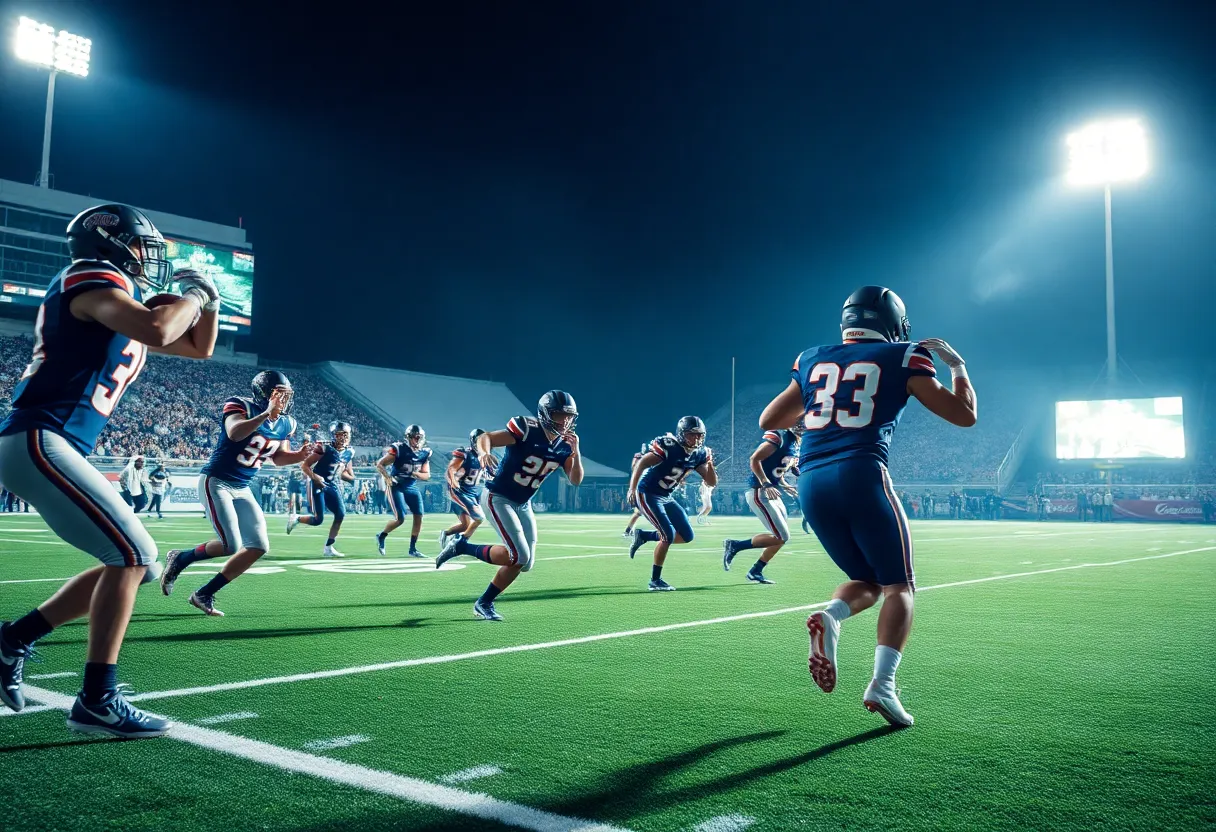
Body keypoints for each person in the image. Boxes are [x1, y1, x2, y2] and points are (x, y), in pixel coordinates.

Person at [0, 203, 219, 738]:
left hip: (54, 441)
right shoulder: (89, 279)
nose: (151, 259)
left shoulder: (120, 294)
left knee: (136, 566)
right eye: (144, 246)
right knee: (133, 554)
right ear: (110, 241)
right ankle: (97, 700)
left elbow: (198, 347)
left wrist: (207, 303)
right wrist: (193, 295)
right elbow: (160, 329)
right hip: (38, 433)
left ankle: (11, 641)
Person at [759, 285, 977, 727]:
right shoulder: (905, 355)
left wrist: (827, 404)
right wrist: (958, 367)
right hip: (861, 472)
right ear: (893, 323)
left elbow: (770, 421)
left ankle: (832, 615)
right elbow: (963, 414)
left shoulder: (812, 356)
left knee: (865, 579)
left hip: (811, 482)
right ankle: (883, 686)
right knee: (901, 587)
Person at [160, 371, 313, 616]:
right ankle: (180, 558)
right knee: (230, 544)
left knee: (259, 546)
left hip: (242, 486)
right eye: (278, 394)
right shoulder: (241, 405)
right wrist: (266, 414)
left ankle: (204, 593)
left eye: (286, 396)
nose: (283, 401)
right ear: (264, 394)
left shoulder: (287, 423)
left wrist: (300, 455)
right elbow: (235, 433)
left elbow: (277, 458)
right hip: (217, 480)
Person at [435, 392, 582, 621]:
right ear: (545, 413)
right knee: (518, 556)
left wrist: (576, 452)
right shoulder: (526, 429)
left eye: (568, 416)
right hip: (499, 496)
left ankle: (461, 548)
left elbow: (575, 479)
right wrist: (484, 452)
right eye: (558, 414)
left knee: (525, 563)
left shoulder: (565, 444)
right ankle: (484, 602)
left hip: (523, 503)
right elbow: (487, 437)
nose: (564, 420)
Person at [627, 417, 718, 591]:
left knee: (687, 535)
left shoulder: (700, 454)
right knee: (667, 535)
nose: (696, 439)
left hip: (666, 496)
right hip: (647, 492)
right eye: (692, 435)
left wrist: (710, 463)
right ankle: (655, 580)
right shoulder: (669, 446)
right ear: (682, 434)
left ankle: (644, 536)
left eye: (699, 436)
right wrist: (632, 488)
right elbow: (642, 462)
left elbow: (711, 481)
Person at [722, 424, 805, 584]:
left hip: (772, 492)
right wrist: (766, 484)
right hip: (759, 491)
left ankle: (756, 570)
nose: (802, 425)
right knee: (782, 536)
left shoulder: (797, 443)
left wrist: (785, 485)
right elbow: (755, 459)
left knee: (781, 537)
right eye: (799, 421)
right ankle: (735, 545)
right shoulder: (781, 436)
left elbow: (776, 470)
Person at [287, 421, 355, 557]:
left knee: (340, 514)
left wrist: (345, 475)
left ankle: (329, 547)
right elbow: (305, 465)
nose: (343, 437)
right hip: (318, 483)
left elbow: (348, 474)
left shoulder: (350, 452)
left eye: (345, 434)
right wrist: (315, 478)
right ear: (333, 435)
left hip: (333, 484)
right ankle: (297, 518)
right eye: (339, 434)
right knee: (319, 520)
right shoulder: (324, 448)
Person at [375, 425, 432, 557]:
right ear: (408, 438)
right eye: (414, 437)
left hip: (411, 486)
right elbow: (380, 464)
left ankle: (413, 549)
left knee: (419, 516)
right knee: (400, 518)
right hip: (397, 485)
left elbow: (427, 475)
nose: (417, 440)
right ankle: (382, 536)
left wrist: (416, 474)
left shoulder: (425, 452)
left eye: (419, 438)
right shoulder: (399, 449)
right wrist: (387, 478)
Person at [439, 429, 488, 549]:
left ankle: (446, 534)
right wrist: (454, 481)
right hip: (460, 492)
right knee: (479, 518)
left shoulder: (484, 456)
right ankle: (460, 543)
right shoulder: (466, 454)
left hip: (472, 493)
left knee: (466, 525)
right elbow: (451, 469)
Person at [621, 443, 648, 538]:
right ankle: (628, 531)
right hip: (639, 487)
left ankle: (630, 530)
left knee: (638, 512)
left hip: (648, 486)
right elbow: (634, 467)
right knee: (637, 512)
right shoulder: (639, 456)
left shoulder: (652, 456)